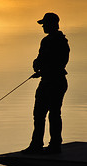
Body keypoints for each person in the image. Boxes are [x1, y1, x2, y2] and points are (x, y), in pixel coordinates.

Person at [22, 12, 70, 154]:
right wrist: (37, 65)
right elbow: (40, 58)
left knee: (54, 114)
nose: (42, 26)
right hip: (46, 82)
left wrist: (45, 70)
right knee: (39, 114)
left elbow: (60, 62)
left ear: (52, 24)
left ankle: (55, 145)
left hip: (56, 82)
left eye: (45, 24)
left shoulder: (61, 42)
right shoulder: (45, 41)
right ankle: (36, 144)